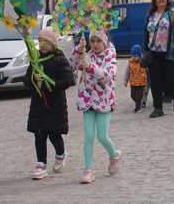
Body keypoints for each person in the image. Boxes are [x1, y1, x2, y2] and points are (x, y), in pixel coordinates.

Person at [24, 28, 75, 180]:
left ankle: (61, 153)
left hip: (55, 105)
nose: (42, 45)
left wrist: (49, 84)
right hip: (38, 105)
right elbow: (26, 79)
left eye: (46, 42)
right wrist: (35, 81)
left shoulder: (60, 59)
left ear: (53, 44)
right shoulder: (35, 59)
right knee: (39, 135)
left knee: (54, 134)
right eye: (40, 42)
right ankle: (41, 164)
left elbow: (68, 80)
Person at [73, 30, 121, 184]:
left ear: (105, 41)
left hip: (104, 100)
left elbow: (108, 76)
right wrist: (78, 51)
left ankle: (114, 155)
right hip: (88, 100)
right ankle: (88, 169)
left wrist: (90, 67)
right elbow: (73, 65)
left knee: (102, 136)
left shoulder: (110, 56)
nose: (95, 44)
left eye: (98, 41)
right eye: (92, 41)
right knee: (88, 136)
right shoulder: (88, 54)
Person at [143, 0, 174, 117]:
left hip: (170, 52)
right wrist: (146, 49)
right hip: (154, 52)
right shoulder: (151, 15)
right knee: (155, 81)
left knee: (170, 79)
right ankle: (158, 108)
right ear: (154, 1)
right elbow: (146, 32)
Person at [125, 44, 148, 113]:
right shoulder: (130, 62)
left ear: (140, 55)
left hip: (142, 83)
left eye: (137, 56)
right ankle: (139, 103)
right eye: (133, 56)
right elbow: (127, 72)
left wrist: (148, 80)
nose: (135, 57)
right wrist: (126, 81)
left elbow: (148, 71)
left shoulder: (143, 61)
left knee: (139, 96)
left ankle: (138, 108)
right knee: (133, 95)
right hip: (133, 82)